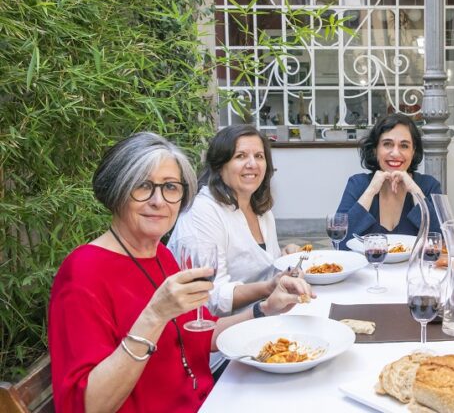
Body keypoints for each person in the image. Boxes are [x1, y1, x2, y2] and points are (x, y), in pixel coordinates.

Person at [48, 132, 312, 412]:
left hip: (209, 400)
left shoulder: (161, 255)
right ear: (116, 190)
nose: (159, 201)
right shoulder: (83, 272)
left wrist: (266, 307)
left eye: (170, 187)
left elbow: (202, 335)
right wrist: (154, 316)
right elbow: (87, 406)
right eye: (143, 186)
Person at [168, 125, 301, 317]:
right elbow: (209, 295)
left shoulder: (260, 209)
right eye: (240, 156)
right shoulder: (202, 212)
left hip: (262, 318)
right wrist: (268, 287)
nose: (252, 164)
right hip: (216, 335)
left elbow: (257, 266)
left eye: (259, 156)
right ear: (219, 165)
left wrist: (283, 257)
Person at [335, 113, 441, 248]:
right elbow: (339, 242)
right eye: (387, 144)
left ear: (413, 151)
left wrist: (415, 191)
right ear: (375, 149)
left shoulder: (429, 186)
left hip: (414, 269)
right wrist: (371, 191)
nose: (395, 153)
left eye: (404, 146)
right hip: (368, 269)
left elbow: (441, 242)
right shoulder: (357, 184)